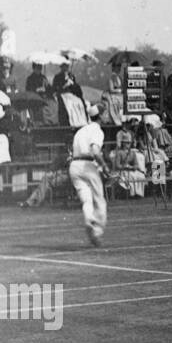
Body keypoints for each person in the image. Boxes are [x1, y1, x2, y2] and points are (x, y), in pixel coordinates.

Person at [69, 104, 109, 246]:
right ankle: (97, 231)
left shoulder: (80, 131)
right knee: (99, 200)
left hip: (74, 166)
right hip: (88, 166)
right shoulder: (97, 131)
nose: (107, 115)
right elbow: (95, 150)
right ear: (101, 116)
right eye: (105, 113)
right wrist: (104, 166)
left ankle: (88, 219)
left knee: (86, 199)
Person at [110, 131, 147, 199]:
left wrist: (133, 167)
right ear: (123, 143)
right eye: (126, 143)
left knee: (141, 175)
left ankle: (139, 194)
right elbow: (117, 165)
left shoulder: (132, 153)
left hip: (131, 170)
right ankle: (132, 194)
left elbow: (136, 164)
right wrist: (127, 167)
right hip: (122, 171)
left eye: (129, 143)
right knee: (132, 176)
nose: (128, 144)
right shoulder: (119, 153)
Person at [53, 61, 87, 126]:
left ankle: (81, 120)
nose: (66, 68)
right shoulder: (57, 77)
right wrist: (65, 85)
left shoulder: (71, 76)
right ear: (61, 67)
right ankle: (67, 122)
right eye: (64, 66)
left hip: (71, 95)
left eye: (67, 66)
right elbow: (55, 89)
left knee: (79, 101)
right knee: (68, 103)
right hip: (62, 94)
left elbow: (76, 89)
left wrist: (72, 84)